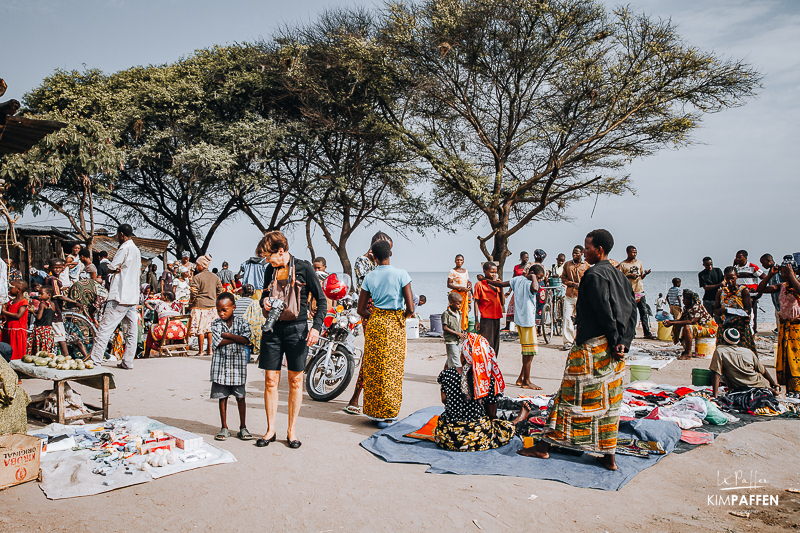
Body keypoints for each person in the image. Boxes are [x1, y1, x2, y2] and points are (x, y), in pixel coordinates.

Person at [520, 229, 636, 471]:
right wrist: (623, 342)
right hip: (617, 351)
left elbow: (605, 312)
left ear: (600, 250)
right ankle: (608, 457)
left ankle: (543, 448)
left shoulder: (594, 275)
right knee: (609, 405)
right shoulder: (620, 276)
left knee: (567, 398)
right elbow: (630, 312)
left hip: (592, 348)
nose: (585, 252)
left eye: (588, 248)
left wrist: (614, 340)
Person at [257, 231, 326, 448]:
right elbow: (262, 297)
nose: (267, 261)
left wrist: (315, 328)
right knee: (270, 381)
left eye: (269, 255)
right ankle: (270, 430)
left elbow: (322, 301)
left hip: (297, 329)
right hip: (272, 329)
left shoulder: (304, 268)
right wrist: (264, 302)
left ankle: (291, 431)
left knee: (296, 381)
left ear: (281, 250)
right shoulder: (271, 270)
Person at [357, 239, 414, 428]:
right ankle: (389, 415)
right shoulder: (401, 274)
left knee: (374, 368)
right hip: (394, 325)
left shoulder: (369, 277)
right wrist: (400, 317)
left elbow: (361, 309)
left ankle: (375, 414)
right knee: (392, 369)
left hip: (375, 324)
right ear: (390, 253)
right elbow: (411, 307)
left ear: (373, 256)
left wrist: (375, 316)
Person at [434, 333, 520, 452]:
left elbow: (444, 400)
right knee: (501, 427)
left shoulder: (447, 374)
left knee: (444, 419)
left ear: (463, 356)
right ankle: (517, 421)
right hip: (475, 438)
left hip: (448, 436)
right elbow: (492, 414)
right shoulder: (487, 379)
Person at [345, 232, 394, 415]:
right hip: (368, 310)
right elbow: (370, 286)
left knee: (380, 353)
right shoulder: (362, 261)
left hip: (381, 310)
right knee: (373, 352)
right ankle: (356, 397)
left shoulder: (379, 263)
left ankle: (364, 396)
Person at [483, 264, 546, 389]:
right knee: (528, 352)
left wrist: (484, 280)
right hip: (527, 321)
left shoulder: (518, 279)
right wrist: (533, 277)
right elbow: (535, 289)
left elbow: (501, 284)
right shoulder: (530, 282)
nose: (538, 281)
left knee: (530, 352)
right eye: (539, 278)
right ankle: (526, 382)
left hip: (520, 320)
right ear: (532, 273)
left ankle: (521, 377)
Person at [89, 224, 142, 369]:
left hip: (120, 296)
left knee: (104, 330)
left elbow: (111, 267)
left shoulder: (124, 248)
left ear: (121, 234)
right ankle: (128, 361)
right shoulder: (136, 250)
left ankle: (95, 361)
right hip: (131, 297)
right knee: (131, 332)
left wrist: (112, 268)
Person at [210, 292, 253, 441]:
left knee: (240, 397)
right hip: (221, 368)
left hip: (237, 368)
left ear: (233, 307)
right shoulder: (215, 323)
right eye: (219, 310)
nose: (221, 313)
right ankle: (224, 427)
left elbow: (247, 339)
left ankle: (243, 427)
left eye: (224, 310)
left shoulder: (242, 323)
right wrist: (238, 339)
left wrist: (228, 336)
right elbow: (216, 342)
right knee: (223, 397)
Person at [756, 257, 800, 396]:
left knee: (796, 360)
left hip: (796, 329)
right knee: (786, 359)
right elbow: (760, 289)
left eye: (784, 272)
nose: (782, 274)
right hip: (785, 327)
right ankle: (790, 389)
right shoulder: (782, 286)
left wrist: (791, 274)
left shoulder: (797, 284)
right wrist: (771, 274)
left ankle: (797, 389)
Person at [710, 328, 779, 397]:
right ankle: (770, 390)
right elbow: (762, 370)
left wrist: (715, 396)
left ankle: (767, 391)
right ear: (738, 341)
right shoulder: (748, 351)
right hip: (758, 384)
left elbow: (716, 373)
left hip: (739, 388)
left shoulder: (720, 351)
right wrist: (772, 382)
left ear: (723, 340)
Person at [46, 258, 89, 360]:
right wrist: (74, 302)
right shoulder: (53, 280)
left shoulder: (54, 279)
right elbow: (58, 296)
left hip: (56, 309)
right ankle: (66, 357)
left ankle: (64, 357)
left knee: (58, 334)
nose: (58, 269)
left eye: (60, 267)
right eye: (55, 267)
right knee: (60, 336)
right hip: (55, 310)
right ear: (50, 268)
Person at [663, 290, 718, 360]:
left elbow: (691, 321)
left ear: (690, 300)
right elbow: (681, 320)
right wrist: (670, 322)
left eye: (685, 299)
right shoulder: (686, 307)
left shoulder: (697, 307)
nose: (683, 300)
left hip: (710, 329)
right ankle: (686, 349)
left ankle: (688, 353)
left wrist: (672, 322)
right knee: (677, 325)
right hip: (700, 327)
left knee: (687, 328)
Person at [714, 266, 756, 354]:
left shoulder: (743, 291)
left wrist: (736, 315)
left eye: (732, 278)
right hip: (725, 325)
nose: (730, 281)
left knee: (743, 352)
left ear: (737, 276)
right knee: (724, 352)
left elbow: (748, 310)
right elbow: (715, 311)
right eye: (727, 278)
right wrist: (722, 311)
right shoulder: (720, 292)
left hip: (740, 326)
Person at [618, 245, 655, 339]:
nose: (634, 254)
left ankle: (647, 332)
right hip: (629, 292)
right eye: (633, 252)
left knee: (644, 312)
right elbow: (620, 279)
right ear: (627, 252)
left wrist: (645, 274)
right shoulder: (623, 264)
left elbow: (641, 276)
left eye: (636, 252)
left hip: (640, 290)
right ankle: (632, 333)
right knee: (631, 313)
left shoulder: (639, 263)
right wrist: (629, 276)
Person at [189, 255, 223, 357]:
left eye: (197, 265)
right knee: (210, 329)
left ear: (201, 266)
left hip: (199, 306)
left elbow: (193, 293)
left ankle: (201, 351)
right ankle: (210, 350)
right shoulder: (215, 277)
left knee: (201, 329)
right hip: (212, 306)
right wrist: (214, 298)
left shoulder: (196, 277)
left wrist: (191, 301)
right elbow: (220, 291)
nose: (196, 267)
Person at [560, 245, 588, 351]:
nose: (574, 254)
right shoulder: (567, 265)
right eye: (573, 252)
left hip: (582, 296)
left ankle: (581, 340)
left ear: (581, 253)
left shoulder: (586, 266)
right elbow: (563, 278)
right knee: (567, 318)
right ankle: (568, 341)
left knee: (582, 319)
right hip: (569, 295)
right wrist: (572, 283)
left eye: (577, 253)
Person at [473, 261, 503, 356]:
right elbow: (476, 302)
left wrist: (501, 286)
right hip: (486, 317)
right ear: (484, 271)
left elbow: (503, 302)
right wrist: (476, 320)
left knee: (495, 343)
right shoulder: (479, 284)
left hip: (497, 316)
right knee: (485, 342)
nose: (494, 274)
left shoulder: (497, 284)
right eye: (491, 272)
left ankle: (493, 364)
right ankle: (485, 364)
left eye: (495, 272)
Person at [143, 292, 185, 357]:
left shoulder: (159, 304)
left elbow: (155, 320)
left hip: (164, 331)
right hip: (180, 331)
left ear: (166, 297)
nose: (160, 296)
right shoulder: (178, 304)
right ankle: (181, 353)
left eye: (161, 295)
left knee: (151, 329)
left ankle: (146, 354)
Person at [733, 250, 766, 333]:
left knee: (751, 315)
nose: (737, 259)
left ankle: (752, 332)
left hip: (751, 295)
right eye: (736, 257)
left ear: (745, 257)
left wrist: (759, 291)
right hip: (738, 295)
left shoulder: (752, 267)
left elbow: (764, 278)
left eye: (739, 257)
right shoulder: (735, 268)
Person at [1, 280, 29, 360]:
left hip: (17, 332)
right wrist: (4, 315)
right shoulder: (10, 302)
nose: (9, 289)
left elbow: (18, 316)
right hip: (8, 330)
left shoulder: (24, 302)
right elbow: (6, 317)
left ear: (18, 289)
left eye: (11, 287)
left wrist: (4, 312)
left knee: (15, 353)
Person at [505, 251, 531, 330]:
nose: (526, 259)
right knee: (511, 306)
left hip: (525, 290)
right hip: (516, 290)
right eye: (525, 257)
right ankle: (507, 325)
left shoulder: (529, 267)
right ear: (521, 258)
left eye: (527, 257)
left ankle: (524, 325)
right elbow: (513, 279)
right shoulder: (516, 267)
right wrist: (509, 291)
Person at [441, 292, 467, 369]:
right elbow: (445, 328)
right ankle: (459, 378)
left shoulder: (459, 313)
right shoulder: (446, 314)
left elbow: (458, 325)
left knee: (450, 358)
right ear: (451, 303)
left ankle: (443, 375)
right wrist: (457, 333)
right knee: (456, 361)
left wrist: (462, 332)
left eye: (461, 304)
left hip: (458, 341)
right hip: (450, 340)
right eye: (458, 304)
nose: (460, 305)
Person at [447, 255, 472, 331]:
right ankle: (453, 328)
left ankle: (463, 328)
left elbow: (467, 282)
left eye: (461, 260)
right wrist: (460, 288)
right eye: (457, 260)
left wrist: (469, 288)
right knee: (454, 311)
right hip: (456, 295)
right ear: (455, 261)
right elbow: (449, 284)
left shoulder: (465, 271)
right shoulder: (452, 271)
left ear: (463, 261)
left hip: (465, 294)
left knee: (464, 312)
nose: (459, 261)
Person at [759, 254, 781, 329]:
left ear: (769, 261)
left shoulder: (778, 270)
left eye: (763, 263)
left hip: (781, 301)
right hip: (776, 302)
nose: (762, 265)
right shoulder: (771, 272)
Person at [32, 287, 56, 355]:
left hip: (40, 330)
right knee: (47, 349)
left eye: (41, 294)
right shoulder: (53, 304)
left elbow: (39, 317)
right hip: (48, 330)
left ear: (49, 295)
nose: (39, 295)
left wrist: (33, 313)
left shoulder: (42, 304)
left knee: (38, 350)